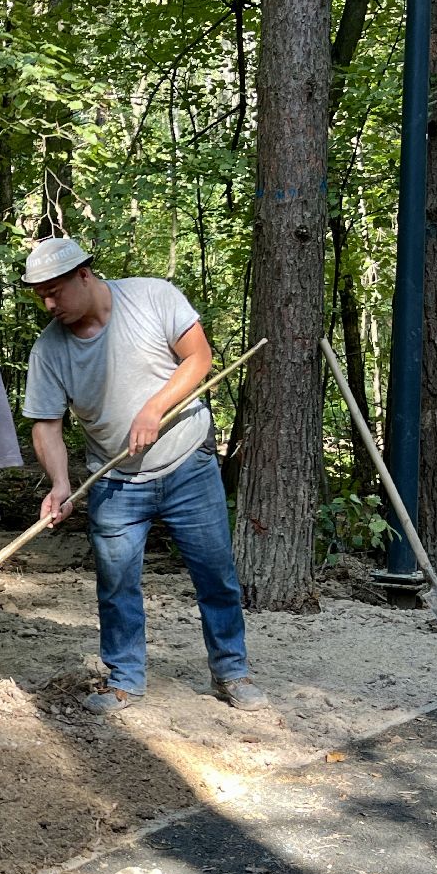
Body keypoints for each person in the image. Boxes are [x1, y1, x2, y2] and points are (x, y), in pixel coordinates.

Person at [18, 237, 267, 715]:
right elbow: (46, 425)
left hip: (187, 464)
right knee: (116, 586)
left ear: (85, 276)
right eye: (40, 295)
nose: (49, 304)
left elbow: (200, 357)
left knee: (215, 576)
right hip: (113, 482)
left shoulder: (152, 296)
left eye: (55, 291)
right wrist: (61, 484)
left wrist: (154, 408)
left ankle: (232, 671)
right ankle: (124, 680)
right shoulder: (49, 350)